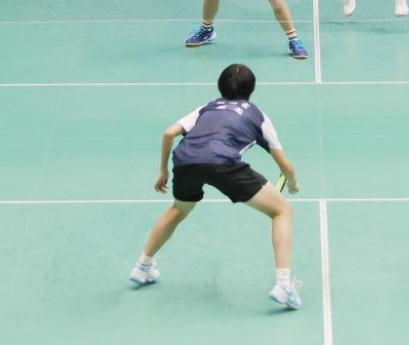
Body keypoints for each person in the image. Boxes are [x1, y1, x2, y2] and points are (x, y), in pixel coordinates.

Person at [129, 63, 303, 309]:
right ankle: (284, 285)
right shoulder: (257, 115)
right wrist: (293, 184)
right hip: (223, 163)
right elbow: (286, 166)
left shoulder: (206, 107)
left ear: (220, 86)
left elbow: (168, 133)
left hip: (185, 160)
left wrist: (163, 171)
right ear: (251, 89)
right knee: (282, 211)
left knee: (179, 209)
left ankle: (142, 267)